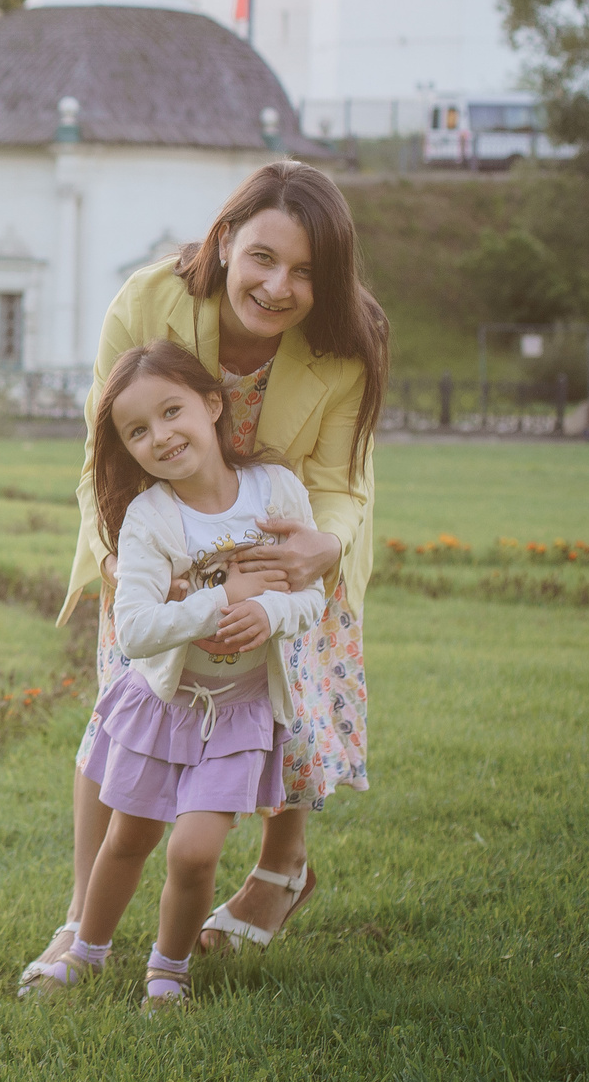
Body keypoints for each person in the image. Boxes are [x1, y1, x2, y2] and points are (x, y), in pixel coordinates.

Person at [25, 161, 389, 983]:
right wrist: (119, 559)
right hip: (159, 535)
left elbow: (340, 481)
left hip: (281, 531)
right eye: (262, 256)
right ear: (224, 241)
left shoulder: (345, 341)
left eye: (305, 271)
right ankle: (82, 916)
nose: (278, 285)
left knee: (286, 703)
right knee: (126, 711)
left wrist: (323, 547)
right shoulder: (147, 300)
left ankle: (281, 867)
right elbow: (101, 451)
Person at [22, 340, 328, 1008]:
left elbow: (312, 596)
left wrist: (268, 611)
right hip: (164, 705)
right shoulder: (151, 517)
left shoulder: (276, 490)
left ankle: (168, 971)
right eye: (138, 430)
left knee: (193, 851)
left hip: (239, 713)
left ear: (212, 405)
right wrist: (222, 599)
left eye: (171, 411)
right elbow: (134, 629)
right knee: (128, 838)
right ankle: (87, 951)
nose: (160, 436)